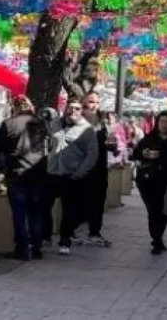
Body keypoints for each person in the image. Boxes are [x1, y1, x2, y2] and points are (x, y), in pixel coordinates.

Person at [0, 95, 49, 260]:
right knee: (36, 212)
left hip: (17, 173)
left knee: (20, 214)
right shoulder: (41, 124)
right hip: (38, 173)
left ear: (15, 107)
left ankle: (22, 249)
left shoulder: (9, 124)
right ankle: (37, 247)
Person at [47, 99, 98, 255]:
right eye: (70, 108)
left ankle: (65, 240)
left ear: (81, 111)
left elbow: (92, 154)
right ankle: (45, 235)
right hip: (53, 172)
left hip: (71, 175)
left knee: (69, 210)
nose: (73, 111)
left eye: (76, 109)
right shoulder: (56, 123)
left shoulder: (87, 130)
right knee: (43, 205)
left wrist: (79, 173)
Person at [131, 110, 167, 255]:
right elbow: (135, 153)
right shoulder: (149, 138)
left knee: (163, 211)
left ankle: (157, 238)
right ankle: (156, 239)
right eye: (161, 122)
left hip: (166, 181)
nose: (164, 125)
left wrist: (160, 154)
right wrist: (145, 154)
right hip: (147, 181)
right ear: (157, 123)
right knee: (153, 210)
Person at [79, 92, 116, 246]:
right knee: (79, 200)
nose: (94, 105)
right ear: (83, 104)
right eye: (91, 102)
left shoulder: (104, 123)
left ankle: (95, 232)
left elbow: (112, 146)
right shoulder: (76, 121)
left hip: (99, 168)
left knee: (98, 201)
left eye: (96, 102)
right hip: (80, 168)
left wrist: (112, 145)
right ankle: (72, 231)